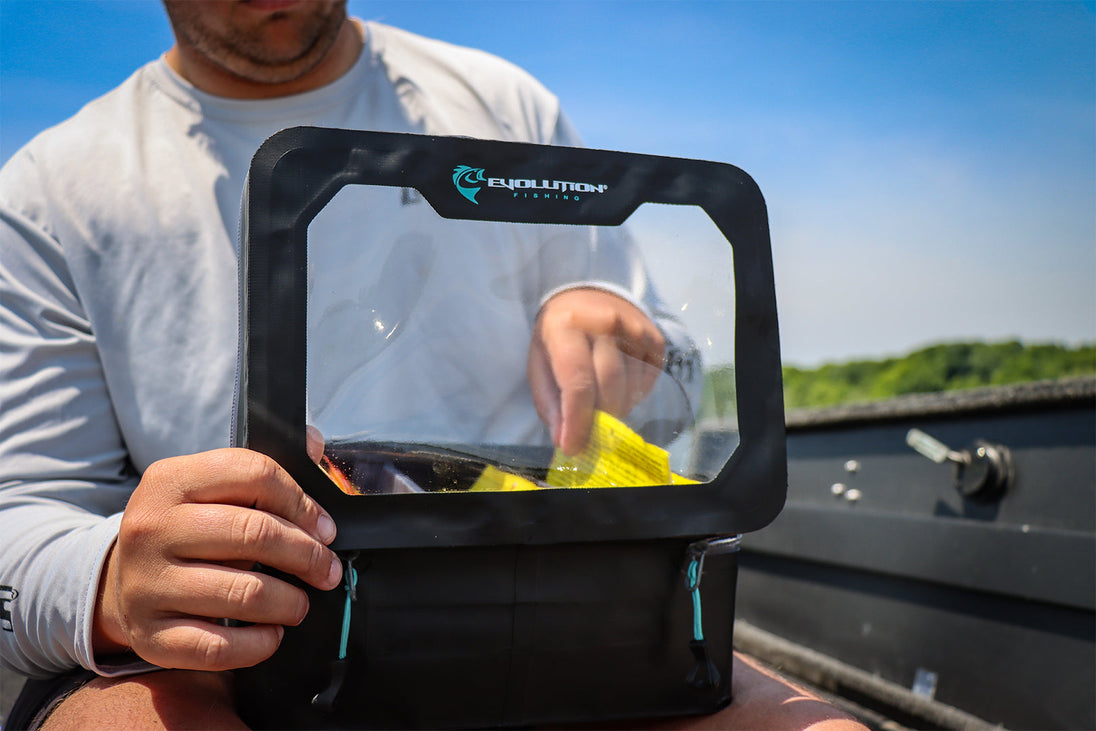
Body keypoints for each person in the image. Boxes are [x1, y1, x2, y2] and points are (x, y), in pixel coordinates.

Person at [0, 2, 865, 728]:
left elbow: (677, 394)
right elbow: (20, 519)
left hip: (560, 602)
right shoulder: (52, 190)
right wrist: (113, 581)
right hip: (240, 645)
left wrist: (624, 338)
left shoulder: (503, 102)